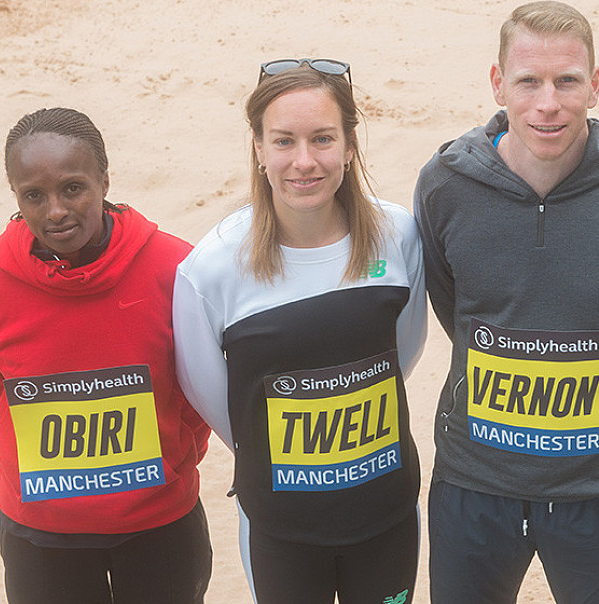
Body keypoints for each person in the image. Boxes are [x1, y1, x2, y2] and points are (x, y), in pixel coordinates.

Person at [413, 2, 599, 602]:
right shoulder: (444, 186)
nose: (548, 103)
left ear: (595, 85)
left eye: (567, 81)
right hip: (473, 480)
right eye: (528, 81)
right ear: (498, 84)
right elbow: (455, 308)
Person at [172, 58, 426, 604]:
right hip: (280, 528)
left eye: (323, 139)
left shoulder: (398, 234)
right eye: (284, 141)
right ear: (259, 149)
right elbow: (211, 395)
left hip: (386, 510)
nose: (304, 161)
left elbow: (403, 351)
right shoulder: (211, 268)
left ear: (350, 146)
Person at [0, 107, 212, 603]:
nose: (55, 211)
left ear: (104, 180)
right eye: (34, 195)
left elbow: (199, 392)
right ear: (16, 196)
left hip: (160, 524)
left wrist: (167, 465)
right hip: (41, 534)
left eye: (73, 188)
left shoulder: (176, 269)